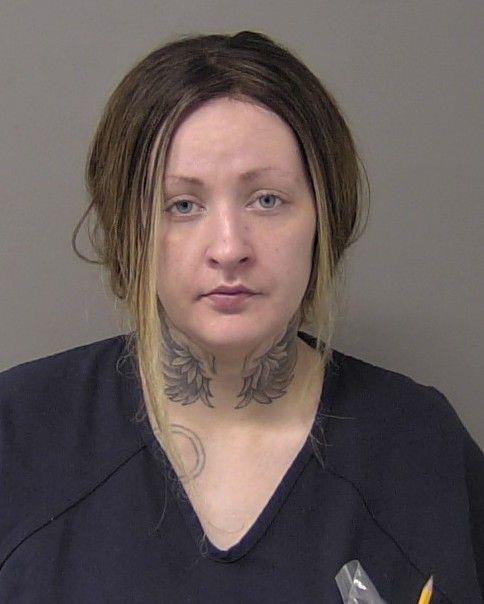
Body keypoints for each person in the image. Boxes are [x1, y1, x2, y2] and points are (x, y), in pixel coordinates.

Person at [0, 30, 482, 604]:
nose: (229, 248)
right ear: (129, 229)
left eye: (267, 200)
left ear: (324, 218)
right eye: (182, 205)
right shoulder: (20, 433)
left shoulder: (419, 443)